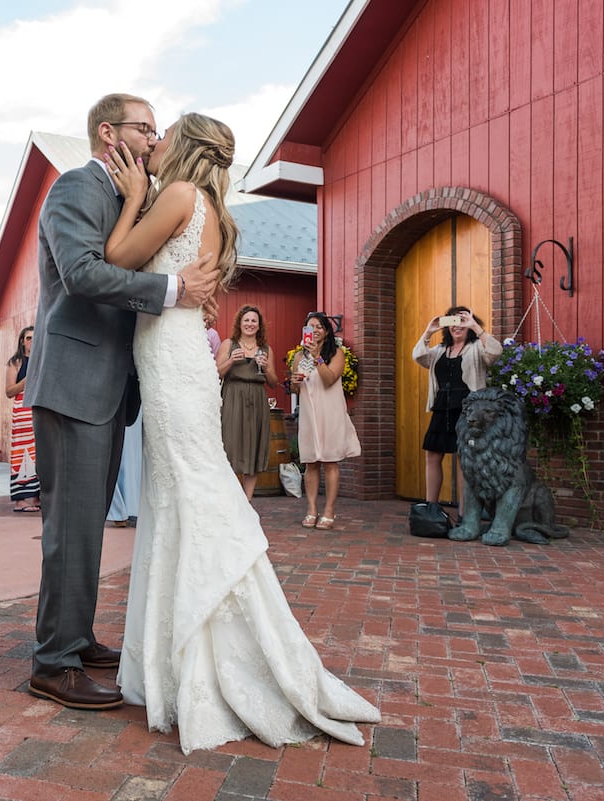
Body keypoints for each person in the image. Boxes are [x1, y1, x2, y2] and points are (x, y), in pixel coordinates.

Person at [103, 111, 380, 753]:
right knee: (184, 494)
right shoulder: (217, 214)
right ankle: (182, 653)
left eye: (167, 131)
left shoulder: (175, 196)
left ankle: (201, 660)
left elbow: (118, 258)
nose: (159, 139)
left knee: (187, 496)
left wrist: (134, 198)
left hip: (174, 363)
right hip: (182, 362)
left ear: (188, 145)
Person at [25, 93, 220, 712]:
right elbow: (83, 274)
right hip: (75, 381)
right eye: (146, 128)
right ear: (109, 133)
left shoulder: (133, 196)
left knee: (87, 526)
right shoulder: (76, 189)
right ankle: (52, 664)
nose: (155, 138)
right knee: (71, 527)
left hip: (111, 386)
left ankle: (76, 639)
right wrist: (172, 288)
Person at [412, 306, 502, 511]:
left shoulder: (477, 347)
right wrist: (428, 331)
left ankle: (465, 513)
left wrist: (476, 327)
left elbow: (496, 352)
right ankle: (431, 508)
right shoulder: (439, 351)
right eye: (453, 321)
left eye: (462, 321)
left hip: (468, 409)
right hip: (442, 407)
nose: (457, 325)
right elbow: (418, 356)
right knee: (433, 454)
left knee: (465, 458)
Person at [289, 312, 361, 529]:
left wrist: (318, 357)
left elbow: (329, 380)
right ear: (305, 331)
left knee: (330, 461)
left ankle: (329, 510)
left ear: (327, 331)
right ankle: (311, 509)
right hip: (310, 414)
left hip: (330, 412)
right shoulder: (299, 358)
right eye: (310, 326)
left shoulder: (336, 353)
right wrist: (293, 382)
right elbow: (294, 389)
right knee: (311, 461)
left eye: (319, 326)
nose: (315, 330)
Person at [216, 305, 279, 500]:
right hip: (234, 397)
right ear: (240, 323)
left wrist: (266, 367)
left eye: (254, 321)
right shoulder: (229, 344)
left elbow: (274, 382)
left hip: (257, 399)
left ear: (259, 326)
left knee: (254, 446)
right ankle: (233, 499)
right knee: (232, 445)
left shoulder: (266, 349)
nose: (250, 324)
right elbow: (216, 373)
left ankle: (247, 501)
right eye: (246, 320)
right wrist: (230, 361)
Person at [4, 326, 40, 512]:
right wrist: (25, 381)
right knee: (22, 453)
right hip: (23, 412)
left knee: (40, 454)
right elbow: (9, 391)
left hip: (40, 411)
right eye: (28, 338)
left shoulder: (43, 359)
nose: (32, 341)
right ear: (22, 341)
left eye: (35, 337)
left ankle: (36, 496)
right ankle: (20, 499)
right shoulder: (16, 362)